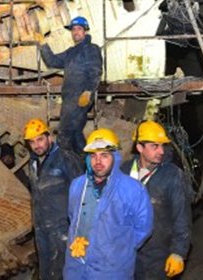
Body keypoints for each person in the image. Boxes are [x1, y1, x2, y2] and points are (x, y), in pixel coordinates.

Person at [64, 128, 153, 280]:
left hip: (112, 270)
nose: (98, 162)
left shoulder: (133, 189)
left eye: (104, 155)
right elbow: (73, 217)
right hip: (77, 266)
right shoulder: (77, 185)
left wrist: (117, 248)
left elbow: (143, 228)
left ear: (115, 157)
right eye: (93, 156)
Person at [122, 121, 192, 279]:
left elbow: (182, 217)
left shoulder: (172, 175)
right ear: (140, 148)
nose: (161, 151)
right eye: (155, 146)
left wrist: (178, 253)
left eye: (162, 146)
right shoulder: (124, 171)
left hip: (157, 255)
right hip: (127, 254)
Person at [23, 118, 84, 280]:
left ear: (49, 138)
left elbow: (83, 194)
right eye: (32, 142)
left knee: (64, 271)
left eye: (40, 139)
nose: (37, 145)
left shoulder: (66, 158)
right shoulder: (33, 162)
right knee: (46, 270)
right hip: (42, 228)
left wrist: (81, 230)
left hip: (63, 228)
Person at [39, 16, 103, 154]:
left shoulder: (91, 49)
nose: (75, 32)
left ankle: (66, 163)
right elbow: (52, 61)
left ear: (85, 31)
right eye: (73, 30)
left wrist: (89, 91)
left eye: (79, 29)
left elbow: (96, 71)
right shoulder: (71, 52)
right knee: (74, 133)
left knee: (65, 135)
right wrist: (43, 44)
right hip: (69, 99)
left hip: (80, 98)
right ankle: (85, 162)